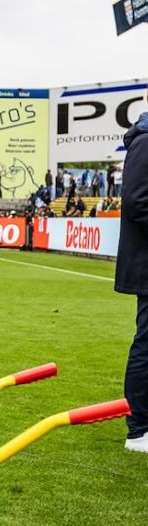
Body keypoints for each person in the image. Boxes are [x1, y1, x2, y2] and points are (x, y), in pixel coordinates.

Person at [115, 104, 148, 452]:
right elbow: (137, 202)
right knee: (147, 343)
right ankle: (138, 429)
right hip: (145, 263)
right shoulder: (145, 141)